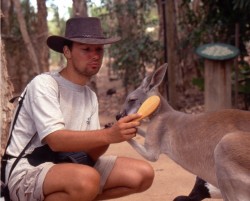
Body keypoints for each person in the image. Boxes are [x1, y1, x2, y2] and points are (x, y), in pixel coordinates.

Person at [5, 16, 154, 201]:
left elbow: (90, 153)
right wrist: (108, 135)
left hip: (70, 164)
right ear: (67, 51)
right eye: (86, 49)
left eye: (99, 49)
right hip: (27, 169)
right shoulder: (44, 84)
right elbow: (56, 140)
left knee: (142, 174)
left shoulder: (89, 96)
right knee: (86, 180)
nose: (95, 55)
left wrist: (114, 133)